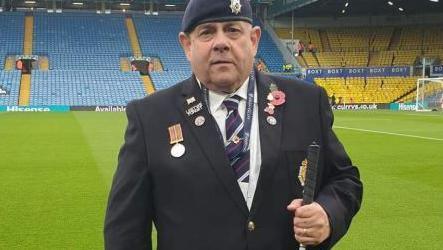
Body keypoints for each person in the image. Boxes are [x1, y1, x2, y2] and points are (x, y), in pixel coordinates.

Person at [104, 0, 363, 249]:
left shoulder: (305, 102)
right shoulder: (151, 117)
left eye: (232, 30)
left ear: (254, 39)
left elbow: (344, 179)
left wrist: (327, 213)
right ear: (187, 45)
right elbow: (125, 229)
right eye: (207, 32)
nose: (221, 43)